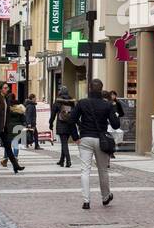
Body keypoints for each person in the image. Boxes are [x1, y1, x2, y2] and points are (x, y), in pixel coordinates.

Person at [72, 78, 122, 210]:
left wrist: (76, 137)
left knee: (85, 170)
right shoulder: (107, 105)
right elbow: (116, 125)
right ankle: (105, 197)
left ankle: (86, 200)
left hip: (85, 138)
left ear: (89, 88)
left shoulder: (82, 103)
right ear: (101, 89)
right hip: (101, 140)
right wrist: (113, 109)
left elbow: (72, 120)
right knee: (103, 170)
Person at [50, 87, 76, 167]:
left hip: (61, 124)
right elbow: (75, 113)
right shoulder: (71, 102)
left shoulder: (58, 101)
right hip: (70, 124)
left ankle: (68, 160)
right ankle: (61, 160)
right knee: (64, 143)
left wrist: (50, 123)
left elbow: (53, 114)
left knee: (64, 143)